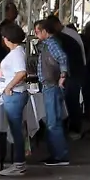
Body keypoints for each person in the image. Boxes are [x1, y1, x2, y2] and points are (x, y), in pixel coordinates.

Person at [30, 18, 73, 166]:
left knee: (53, 121)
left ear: (44, 31)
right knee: (53, 120)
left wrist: (62, 75)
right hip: (50, 84)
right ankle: (56, 153)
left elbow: (62, 57)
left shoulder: (52, 43)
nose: (36, 35)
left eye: (37, 31)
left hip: (52, 85)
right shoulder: (48, 44)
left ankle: (60, 155)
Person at [0, 23, 32, 177]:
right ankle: (18, 162)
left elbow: (21, 72)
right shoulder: (16, 52)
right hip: (16, 93)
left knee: (16, 129)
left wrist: (9, 86)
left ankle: (19, 163)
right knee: (16, 128)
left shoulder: (16, 53)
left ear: (6, 38)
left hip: (14, 95)